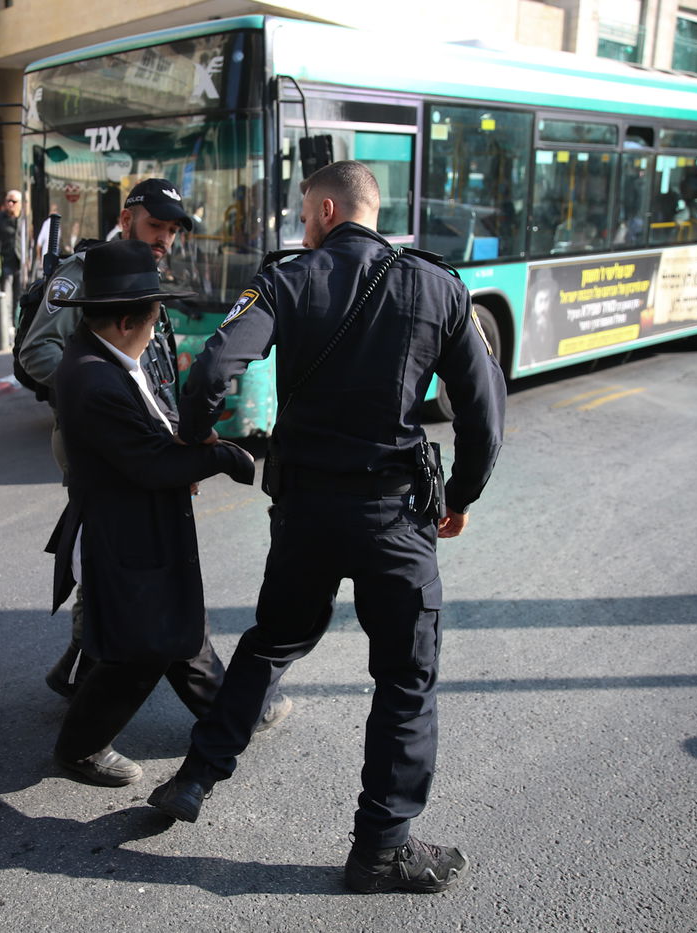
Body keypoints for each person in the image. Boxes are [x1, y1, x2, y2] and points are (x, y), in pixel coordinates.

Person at [147, 160, 506, 895]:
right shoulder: (438, 285)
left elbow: (210, 372)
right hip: (396, 519)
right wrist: (459, 495)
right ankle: (381, 849)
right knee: (404, 679)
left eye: (306, 211)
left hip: (305, 511)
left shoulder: (287, 280)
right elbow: (484, 411)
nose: (302, 224)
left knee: (271, 640)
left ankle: (195, 776)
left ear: (329, 210)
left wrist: (196, 437)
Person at [45, 239, 258, 785]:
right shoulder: (93, 378)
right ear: (125, 322)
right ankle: (78, 748)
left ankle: (228, 715)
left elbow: (155, 430)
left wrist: (190, 440)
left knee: (177, 629)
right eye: (154, 317)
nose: (157, 326)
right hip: (126, 532)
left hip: (143, 524)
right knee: (142, 649)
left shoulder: (107, 358)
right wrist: (224, 457)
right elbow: (152, 464)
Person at [19, 178, 190, 697]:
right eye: (155, 225)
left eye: (172, 230)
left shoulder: (147, 274)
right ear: (125, 219)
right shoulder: (84, 273)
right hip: (103, 443)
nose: (164, 238)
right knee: (114, 559)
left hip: (144, 441)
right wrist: (101, 396)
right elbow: (37, 352)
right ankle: (96, 677)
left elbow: (150, 368)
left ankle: (83, 667)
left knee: (115, 559)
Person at [0, 189, 24, 299]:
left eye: (14, 202)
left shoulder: (25, 218)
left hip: (22, 262)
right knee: (5, 294)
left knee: (20, 296)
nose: (10, 204)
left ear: (20, 203)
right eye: (8, 201)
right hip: (6, 261)